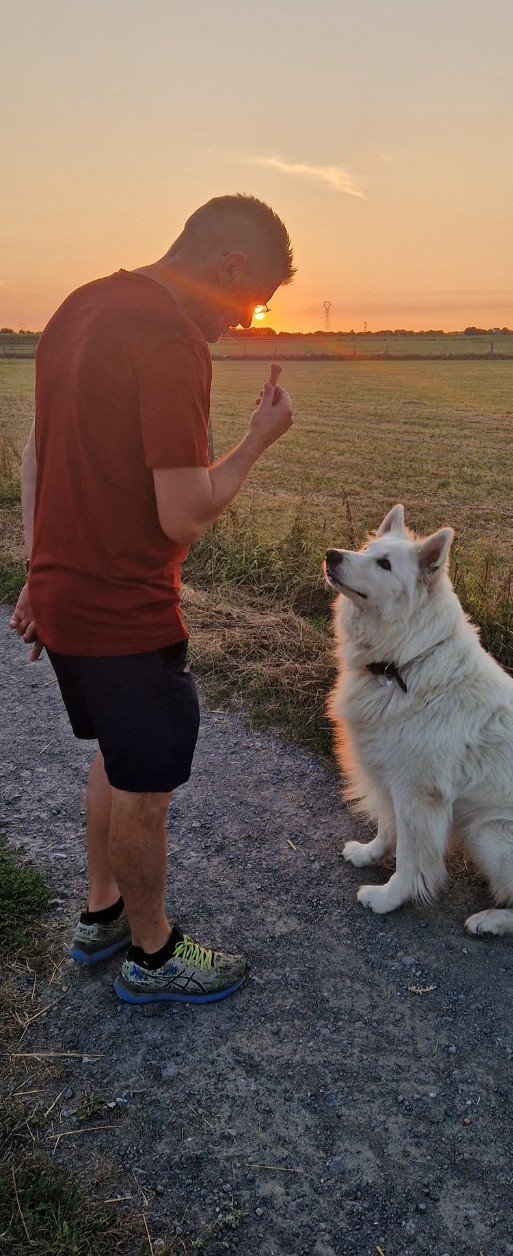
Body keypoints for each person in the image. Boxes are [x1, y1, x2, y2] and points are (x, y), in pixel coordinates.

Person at [9, 194, 294, 1004]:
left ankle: (101, 915)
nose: (246, 320)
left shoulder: (78, 307)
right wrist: (256, 442)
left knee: (115, 752)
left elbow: (36, 457)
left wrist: (36, 575)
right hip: (123, 611)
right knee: (147, 786)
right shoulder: (170, 339)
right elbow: (185, 514)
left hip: (65, 599)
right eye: (252, 300)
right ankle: (154, 953)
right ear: (229, 265)